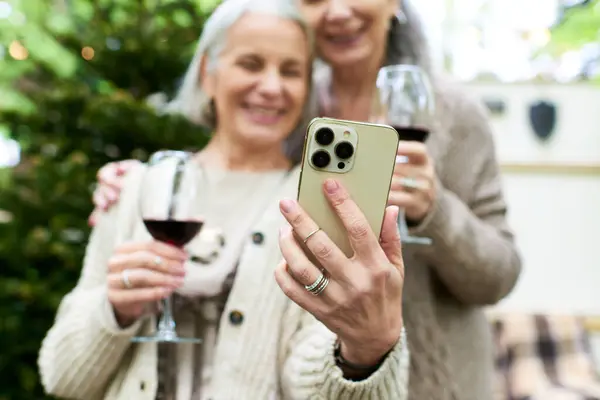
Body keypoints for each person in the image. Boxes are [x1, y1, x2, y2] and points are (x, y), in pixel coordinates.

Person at [89, 0, 522, 399]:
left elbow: (499, 276)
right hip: (317, 378)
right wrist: (131, 184)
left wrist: (435, 211)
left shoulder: (451, 115)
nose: (337, 11)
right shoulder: (289, 103)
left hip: (433, 383)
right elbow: (228, 176)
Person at [37, 1, 410, 399]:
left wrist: (362, 351)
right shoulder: (134, 189)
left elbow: (319, 382)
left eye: (291, 71)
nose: (271, 86)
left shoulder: (322, 204)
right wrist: (114, 308)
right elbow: (62, 377)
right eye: (251, 64)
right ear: (208, 74)